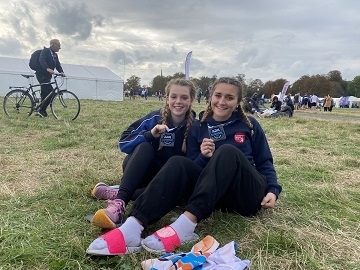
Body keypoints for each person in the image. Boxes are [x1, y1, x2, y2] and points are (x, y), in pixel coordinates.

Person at [86, 77, 282, 256]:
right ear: (210, 97)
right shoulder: (198, 126)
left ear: (238, 101)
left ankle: (186, 225)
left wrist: (273, 190)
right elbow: (192, 170)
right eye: (218, 96)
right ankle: (133, 226)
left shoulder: (250, 125)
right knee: (178, 162)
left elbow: (265, 161)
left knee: (227, 152)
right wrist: (205, 158)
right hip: (218, 199)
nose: (222, 102)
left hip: (246, 194)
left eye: (229, 98)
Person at [90, 78, 196, 229]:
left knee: (171, 195)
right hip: (140, 172)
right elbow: (123, 143)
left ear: (191, 99)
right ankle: (120, 203)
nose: (178, 101)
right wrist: (150, 135)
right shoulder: (154, 118)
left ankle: (119, 191)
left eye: (184, 97)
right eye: (173, 97)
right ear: (166, 99)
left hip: (166, 182)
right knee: (145, 146)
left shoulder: (196, 127)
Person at [35, 39, 65, 117]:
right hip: (41, 75)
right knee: (51, 93)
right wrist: (47, 68)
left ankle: (40, 111)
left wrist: (61, 71)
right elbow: (42, 60)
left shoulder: (55, 55)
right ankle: (41, 110)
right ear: (53, 45)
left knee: (45, 94)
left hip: (47, 76)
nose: (60, 47)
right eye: (58, 45)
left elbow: (57, 64)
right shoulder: (46, 51)